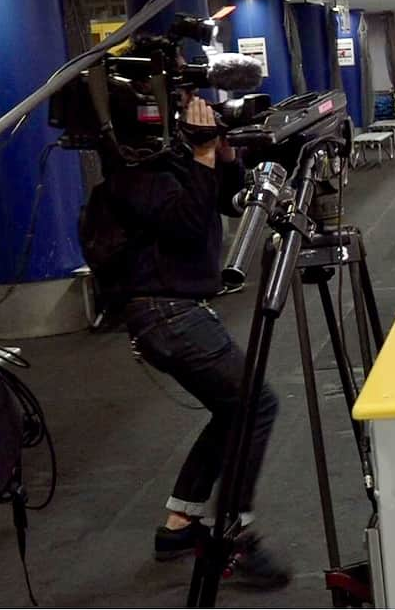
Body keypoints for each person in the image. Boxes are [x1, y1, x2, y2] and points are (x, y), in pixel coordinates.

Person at [105, 36, 288, 586]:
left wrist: (220, 151)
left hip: (174, 311)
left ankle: (179, 522)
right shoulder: (134, 169)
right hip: (165, 313)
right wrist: (204, 153)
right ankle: (233, 534)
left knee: (232, 408)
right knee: (255, 402)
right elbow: (186, 223)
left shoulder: (170, 158)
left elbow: (223, 198)